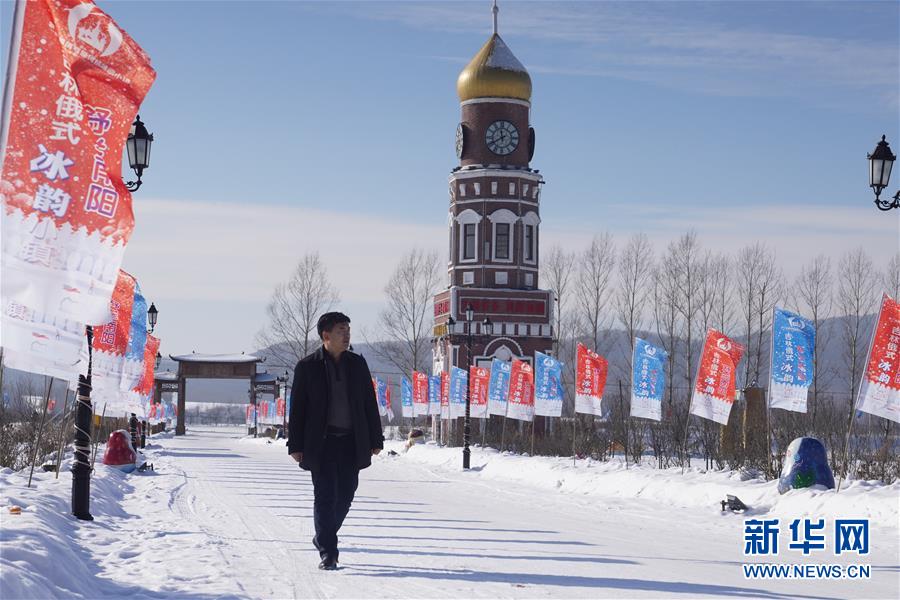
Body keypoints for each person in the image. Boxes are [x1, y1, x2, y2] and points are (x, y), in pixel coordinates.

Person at [288, 312, 384, 570]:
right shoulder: (307, 367)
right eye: (341, 330)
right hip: (321, 443)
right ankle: (328, 552)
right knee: (325, 496)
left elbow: (368, 403)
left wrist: (376, 437)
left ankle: (322, 536)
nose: (347, 334)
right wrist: (295, 445)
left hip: (352, 442)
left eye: (348, 329)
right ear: (326, 335)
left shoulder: (357, 364)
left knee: (346, 493)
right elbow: (297, 409)